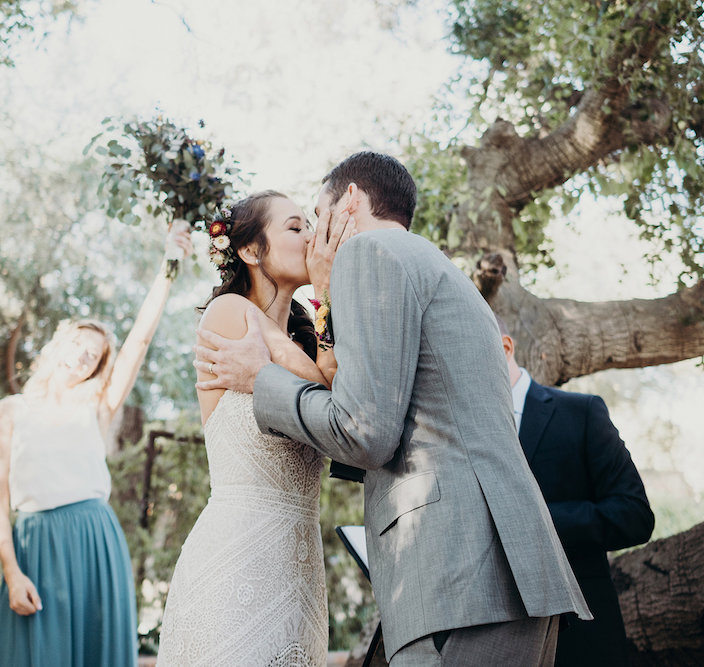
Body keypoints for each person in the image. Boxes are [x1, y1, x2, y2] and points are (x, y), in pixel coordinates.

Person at [195, 151, 591, 667]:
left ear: (351, 200)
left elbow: (362, 430)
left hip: (457, 576)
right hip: (504, 571)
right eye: (301, 226)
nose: (316, 236)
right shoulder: (430, 263)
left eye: (317, 216)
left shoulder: (371, 254)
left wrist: (261, 376)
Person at [156, 191, 356, 667]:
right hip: (235, 559)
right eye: (295, 227)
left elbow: (347, 406)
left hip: (300, 567)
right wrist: (327, 289)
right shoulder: (230, 314)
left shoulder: (302, 342)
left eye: (309, 225)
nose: (311, 237)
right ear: (250, 251)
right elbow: (332, 390)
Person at [0, 226, 192, 667]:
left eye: (94, 355)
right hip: (35, 545)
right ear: (58, 344)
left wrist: (168, 267)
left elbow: (138, 342)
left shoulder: (96, 407)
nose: (82, 355)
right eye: (78, 344)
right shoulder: (10, 410)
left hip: (95, 538)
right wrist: (11, 569)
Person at [498, 314, 654, 667]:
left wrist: (536, 523)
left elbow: (634, 515)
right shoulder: (465, 431)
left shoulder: (580, 412)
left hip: (581, 638)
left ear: (504, 348)